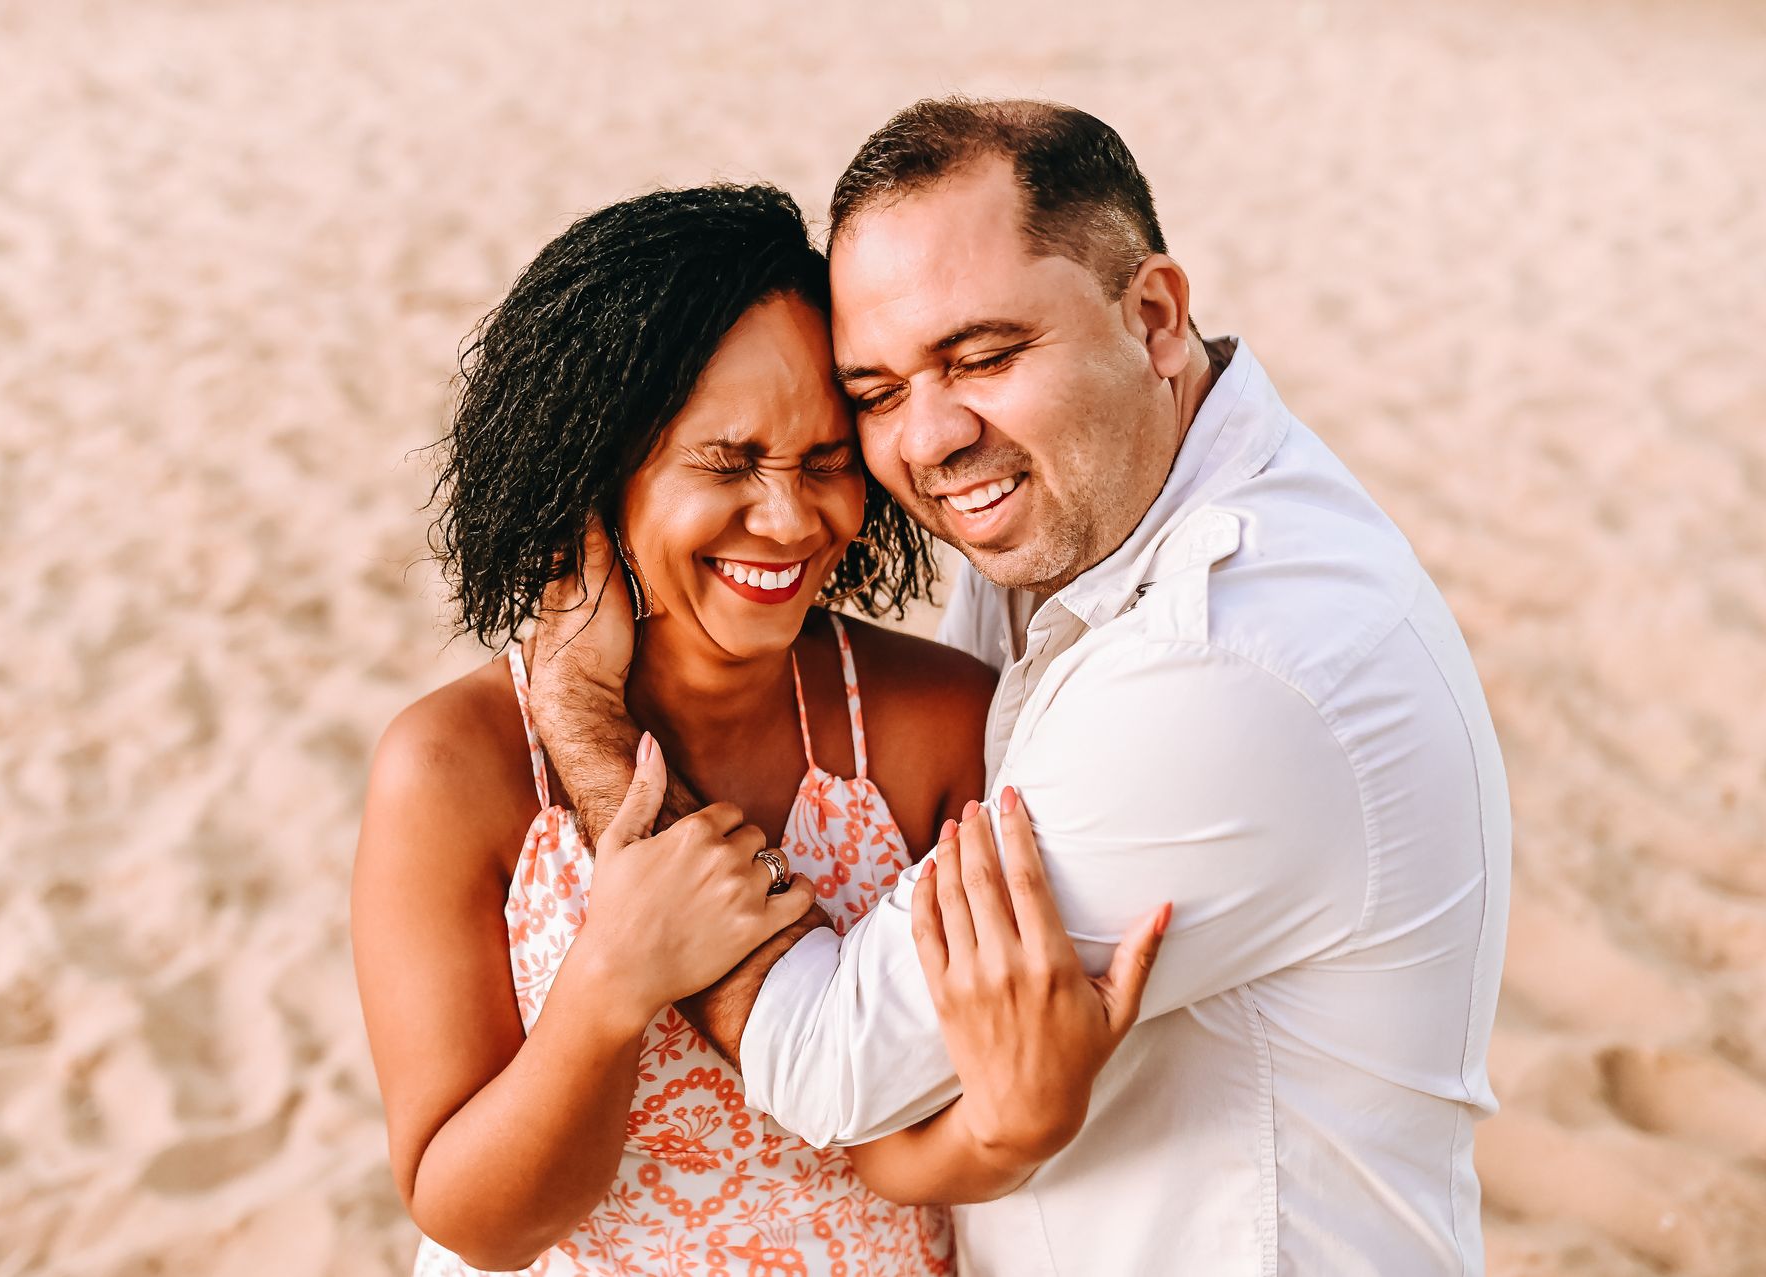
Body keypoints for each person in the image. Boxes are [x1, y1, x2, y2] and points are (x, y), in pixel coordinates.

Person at [526, 99, 1513, 1276]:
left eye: (984, 358)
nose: (930, 439)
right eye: (877, 391)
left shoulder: (1225, 663)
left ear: (1155, 317)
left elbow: (827, 1057)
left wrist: (585, 722)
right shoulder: (1084, 517)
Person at [351, 183, 1167, 1277]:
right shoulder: (458, 767)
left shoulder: (933, 722)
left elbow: (890, 1141)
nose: (789, 520)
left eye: (825, 460)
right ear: (597, 468)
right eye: (728, 462)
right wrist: (610, 983)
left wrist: (1014, 1127)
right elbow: (479, 1221)